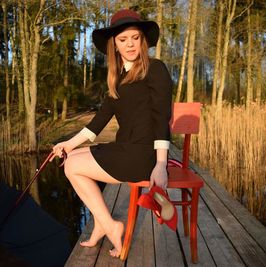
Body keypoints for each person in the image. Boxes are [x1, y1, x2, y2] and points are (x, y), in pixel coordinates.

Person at [51, 9, 172, 258]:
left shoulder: (156, 69)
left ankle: (110, 226)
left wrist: (161, 164)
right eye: (123, 39)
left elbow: (162, 119)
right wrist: (68, 143)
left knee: (72, 167)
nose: (129, 44)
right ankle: (100, 225)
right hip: (127, 148)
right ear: (114, 45)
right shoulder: (116, 80)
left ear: (143, 40)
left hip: (143, 157)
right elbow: (98, 122)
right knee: (71, 158)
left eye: (135, 38)